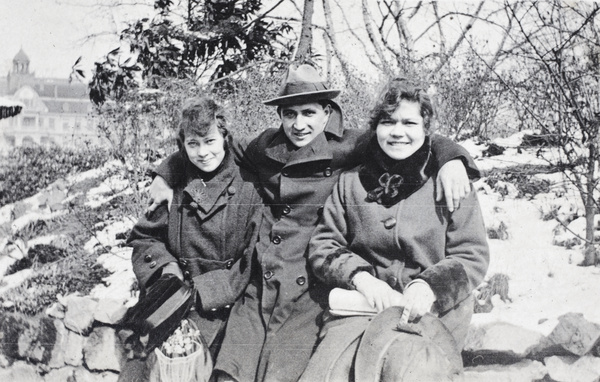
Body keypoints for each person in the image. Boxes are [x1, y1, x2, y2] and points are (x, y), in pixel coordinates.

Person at [147, 64, 480, 382]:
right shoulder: (267, 145)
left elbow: (409, 137)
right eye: (289, 114)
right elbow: (211, 143)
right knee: (236, 368)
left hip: (315, 277)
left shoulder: (352, 145)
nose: (299, 124)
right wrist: (165, 174)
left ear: (327, 111)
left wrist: (452, 158)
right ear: (279, 116)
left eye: (309, 113)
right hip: (275, 268)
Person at [300, 77, 489, 381]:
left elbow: (471, 255)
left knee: (412, 370)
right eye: (388, 122)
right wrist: (362, 279)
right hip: (360, 308)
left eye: (409, 123)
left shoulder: (450, 180)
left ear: (426, 129)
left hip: (430, 312)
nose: (398, 132)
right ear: (375, 128)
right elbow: (324, 244)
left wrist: (429, 286)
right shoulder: (351, 181)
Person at [122, 97, 263, 381]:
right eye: (193, 144)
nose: (203, 153)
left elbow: (253, 257)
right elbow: (145, 237)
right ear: (182, 146)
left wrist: (205, 290)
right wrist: (166, 271)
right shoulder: (174, 183)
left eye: (210, 142)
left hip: (222, 307)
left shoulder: (251, 188)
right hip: (171, 301)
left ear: (225, 138)